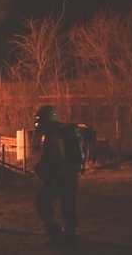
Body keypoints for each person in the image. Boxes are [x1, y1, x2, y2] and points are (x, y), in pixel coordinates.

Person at [31, 105, 80, 247]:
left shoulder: (52, 136)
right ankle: (72, 238)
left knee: (42, 203)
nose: (38, 124)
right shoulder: (61, 132)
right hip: (70, 175)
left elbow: (50, 158)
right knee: (68, 207)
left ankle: (56, 235)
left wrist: (39, 169)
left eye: (40, 120)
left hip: (59, 177)